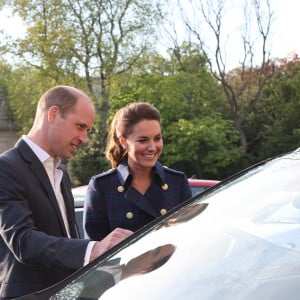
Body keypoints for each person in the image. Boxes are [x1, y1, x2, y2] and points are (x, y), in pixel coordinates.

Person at [0, 85, 132, 299]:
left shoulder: (60, 175)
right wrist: (93, 249)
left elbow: (67, 240)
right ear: (53, 114)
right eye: (80, 126)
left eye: (87, 130)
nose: (84, 138)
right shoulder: (6, 168)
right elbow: (23, 242)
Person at [84, 101, 192, 241]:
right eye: (143, 140)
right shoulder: (102, 186)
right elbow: (95, 249)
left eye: (157, 138)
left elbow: (189, 238)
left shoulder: (177, 182)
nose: (153, 147)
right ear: (123, 142)